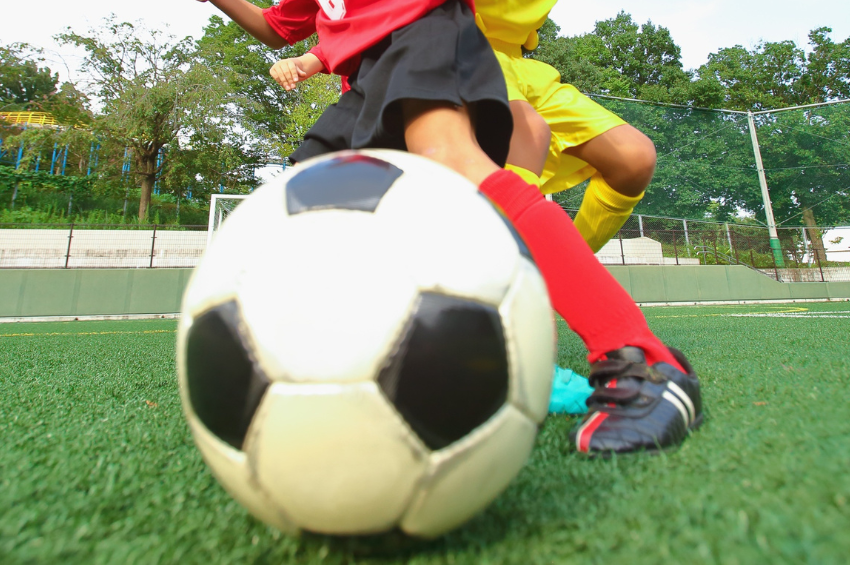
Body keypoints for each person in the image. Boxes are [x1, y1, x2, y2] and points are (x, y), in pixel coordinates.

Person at [195, 0, 702, 456]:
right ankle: (316, 380)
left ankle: (645, 362)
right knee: (300, 204)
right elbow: (276, 27)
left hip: (425, 34)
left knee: (456, 161)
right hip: (366, 79)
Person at [475, 0, 656, 254]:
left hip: (523, 67)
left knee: (633, 157)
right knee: (525, 136)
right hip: (462, 45)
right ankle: (508, 271)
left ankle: (566, 264)